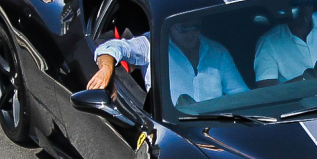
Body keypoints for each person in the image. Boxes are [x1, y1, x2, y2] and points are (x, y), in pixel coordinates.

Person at [87, 20, 248, 104]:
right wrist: (106, 69)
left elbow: (241, 96)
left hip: (218, 131)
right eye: (184, 29)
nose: (191, 34)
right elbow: (110, 47)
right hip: (170, 131)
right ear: (170, 27)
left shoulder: (217, 52)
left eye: (195, 27)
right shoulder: (152, 44)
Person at [253, 0, 317, 86]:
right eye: (296, 4)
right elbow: (267, 92)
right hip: (298, 103)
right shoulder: (268, 42)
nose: (303, 8)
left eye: (308, 2)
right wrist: (310, 77)